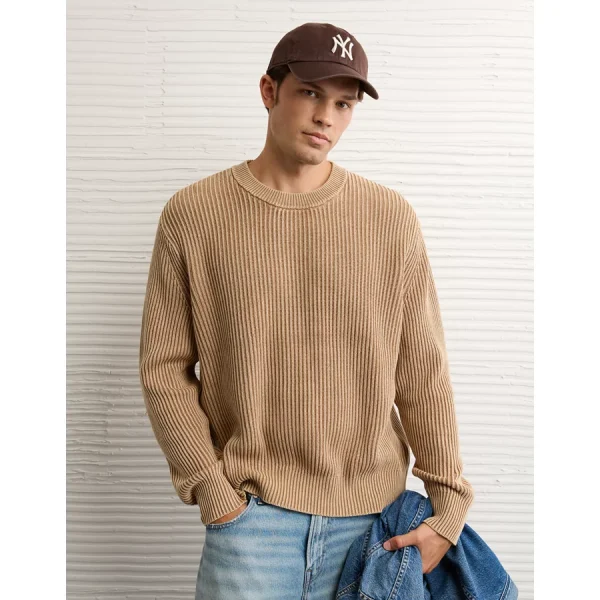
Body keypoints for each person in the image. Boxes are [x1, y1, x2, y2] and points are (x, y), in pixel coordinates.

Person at [138, 21, 475, 600]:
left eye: (344, 104)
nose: (326, 117)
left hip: (374, 528)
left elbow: (421, 367)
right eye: (311, 93)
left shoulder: (389, 218)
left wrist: (449, 507)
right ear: (270, 90)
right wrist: (214, 493)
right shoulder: (194, 214)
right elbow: (164, 368)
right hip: (249, 525)